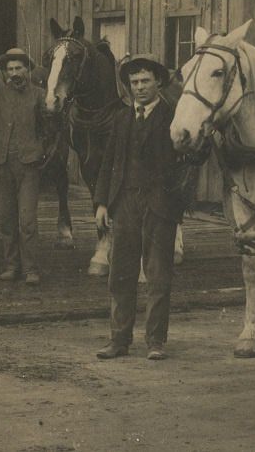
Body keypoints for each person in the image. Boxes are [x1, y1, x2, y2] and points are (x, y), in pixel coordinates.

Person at [93, 54, 194, 361]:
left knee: (157, 273)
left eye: (145, 81)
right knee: (120, 273)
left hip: (159, 205)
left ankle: (155, 341)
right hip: (124, 203)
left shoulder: (174, 116)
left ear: (158, 82)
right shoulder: (121, 118)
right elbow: (108, 163)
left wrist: (175, 204)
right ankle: (118, 339)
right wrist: (101, 203)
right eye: (134, 82)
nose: (139, 87)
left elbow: (187, 166)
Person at [0, 48, 46, 285]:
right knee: (6, 218)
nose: (14, 73)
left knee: (27, 220)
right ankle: (11, 265)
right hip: (1, 164)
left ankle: (31, 269)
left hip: (28, 166)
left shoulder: (39, 95)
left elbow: (50, 124)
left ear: (27, 70)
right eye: (10, 69)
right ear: (5, 72)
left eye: (19, 68)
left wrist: (40, 149)